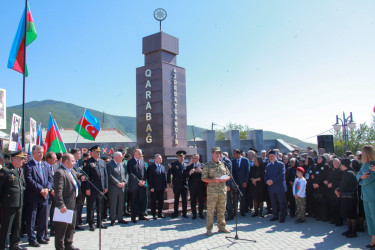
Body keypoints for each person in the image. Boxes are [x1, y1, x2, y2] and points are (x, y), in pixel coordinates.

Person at [24, 145, 53, 247]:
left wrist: (47, 189)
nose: (41, 154)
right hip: (33, 196)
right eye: (39, 152)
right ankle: (32, 239)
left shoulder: (45, 165)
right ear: (33, 153)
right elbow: (29, 180)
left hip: (45, 196)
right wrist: (41, 189)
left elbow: (50, 179)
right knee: (32, 217)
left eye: (42, 152)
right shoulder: (28, 165)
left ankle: (41, 236)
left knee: (43, 217)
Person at [53, 153, 82, 250]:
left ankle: (68, 245)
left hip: (73, 203)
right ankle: (60, 247)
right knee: (61, 229)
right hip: (65, 205)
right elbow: (58, 191)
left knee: (71, 227)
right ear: (66, 162)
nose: (74, 163)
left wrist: (81, 176)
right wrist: (61, 204)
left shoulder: (71, 171)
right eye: (73, 161)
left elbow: (76, 175)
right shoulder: (60, 173)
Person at [0, 151, 27, 250]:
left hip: (18, 203)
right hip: (8, 204)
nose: (23, 161)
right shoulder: (6, 171)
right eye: (21, 159)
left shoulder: (19, 170)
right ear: (15, 159)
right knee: (6, 227)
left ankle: (14, 245)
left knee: (17, 226)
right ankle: (2, 246)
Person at [202, 147, 231, 236]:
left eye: (219, 153)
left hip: (222, 191)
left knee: (222, 210)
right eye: (216, 153)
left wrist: (225, 179)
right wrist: (214, 180)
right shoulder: (208, 165)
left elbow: (229, 175)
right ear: (212, 154)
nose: (218, 155)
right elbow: (203, 178)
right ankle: (209, 229)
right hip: (212, 192)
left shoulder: (223, 164)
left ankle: (221, 227)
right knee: (210, 211)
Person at [83, 145, 108, 231]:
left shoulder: (102, 162)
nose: (98, 153)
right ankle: (91, 223)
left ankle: (99, 222)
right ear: (92, 153)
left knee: (100, 206)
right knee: (91, 207)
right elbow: (86, 177)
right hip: (92, 188)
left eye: (99, 152)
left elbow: (105, 175)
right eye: (97, 152)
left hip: (101, 188)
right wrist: (87, 188)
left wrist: (106, 186)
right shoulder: (88, 163)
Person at [356, 145, 375, 248]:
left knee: (374, 218)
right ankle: (373, 239)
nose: (361, 155)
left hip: (372, 195)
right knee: (369, 218)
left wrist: (361, 179)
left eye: (363, 153)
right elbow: (357, 175)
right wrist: (360, 177)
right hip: (365, 195)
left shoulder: (372, 165)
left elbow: (368, 180)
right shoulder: (364, 165)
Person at [335, 158, 358, 238]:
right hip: (346, 196)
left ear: (344, 165)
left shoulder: (349, 173)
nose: (340, 166)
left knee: (351, 214)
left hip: (351, 197)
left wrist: (337, 190)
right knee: (347, 214)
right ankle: (349, 229)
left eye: (341, 164)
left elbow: (344, 185)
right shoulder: (346, 172)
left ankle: (353, 231)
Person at [265, 150, 287, 223]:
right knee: (273, 202)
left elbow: (281, 175)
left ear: (276, 156)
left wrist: (272, 180)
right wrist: (267, 181)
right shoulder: (268, 165)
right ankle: (275, 215)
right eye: (270, 156)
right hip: (271, 187)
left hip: (279, 186)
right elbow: (266, 175)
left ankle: (282, 216)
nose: (271, 157)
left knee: (281, 202)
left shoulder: (281, 164)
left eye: (272, 156)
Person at [127, 149, 148, 223]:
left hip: (142, 184)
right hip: (134, 185)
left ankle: (141, 215)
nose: (141, 155)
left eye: (141, 154)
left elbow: (144, 172)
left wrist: (144, 180)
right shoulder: (130, 162)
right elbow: (130, 173)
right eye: (139, 154)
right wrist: (138, 181)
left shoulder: (142, 161)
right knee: (134, 201)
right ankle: (133, 217)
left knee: (141, 200)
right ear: (135, 154)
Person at [107, 152, 128, 226]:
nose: (122, 158)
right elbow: (110, 175)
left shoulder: (122, 164)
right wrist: (117, 183)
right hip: (114, 187)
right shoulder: (109, 164)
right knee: (113, 204)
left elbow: (126, 174)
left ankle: (120, 218)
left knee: (121, 203)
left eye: (122, 157)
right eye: (120, 157)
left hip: (122, 187)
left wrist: (124, 182)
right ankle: (113, 219)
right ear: (115, 157)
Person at [167, 150, 189, 218]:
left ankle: (184, 213)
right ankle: (175, 213)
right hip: (176, 185)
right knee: (176, 199)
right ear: (177, 157)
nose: (182, 158)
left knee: (184, 200)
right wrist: (169, 182)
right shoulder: (173, 164)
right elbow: (169, 173)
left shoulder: (186, 165)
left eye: (183, 157)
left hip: (184, 185)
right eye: (180, 156)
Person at [147, 154, 168, 220]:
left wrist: (166, 186)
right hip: (154, 188)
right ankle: (154, 214)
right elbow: (150, 178)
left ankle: (160, 213)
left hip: (161, 188)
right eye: (159, 158)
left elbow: (165, 177)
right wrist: (151, 187)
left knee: (161, 201)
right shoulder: (151, 167)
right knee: (153, 201)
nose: (161, 159)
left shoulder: (163, 167)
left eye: (161, 158)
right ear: (155, 159)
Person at [185, 153, 205, 219]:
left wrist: (201, 172)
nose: (193, 159)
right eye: (192, 158)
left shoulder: (203, 165)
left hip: (201, 187)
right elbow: (185, 176)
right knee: (193, 201)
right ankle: (194, 214)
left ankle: (201, 213)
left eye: (195, 158)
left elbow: (207, 175)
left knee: (201, 201)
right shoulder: (189, 167)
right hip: (192, 187)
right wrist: (189, 173)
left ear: (198, 159)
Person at [230, 149, 250, 217]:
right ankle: (235, 212)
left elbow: (247, 172)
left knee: (242, 197)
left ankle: (242, 211)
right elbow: (232, 173)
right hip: (236, 183)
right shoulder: (232, 161)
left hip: (243, 182)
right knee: (235, 198)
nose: (233, 155)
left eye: (234, 154)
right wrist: (234, 182)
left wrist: (245, 181)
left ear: (238, 154)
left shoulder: (245, 160)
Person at [70, 148, 85, 231]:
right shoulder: (71, 165)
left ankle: (77, 223)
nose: (80, 155)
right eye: (79, 153)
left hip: (79, 189)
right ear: (74, 154)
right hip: (72, 190)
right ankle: (72, 225)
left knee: (78, 207)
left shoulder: (78, 163)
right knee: (73, 208)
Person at [326, 158, 344, 226]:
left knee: (338, 206)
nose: (336, 164)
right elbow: (330, 178)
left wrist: (332, 184)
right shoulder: (332, 170)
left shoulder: (341, 171)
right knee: (333, 206)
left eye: (337, 163)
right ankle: (334, 219)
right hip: (331, 191)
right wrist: (327, 181)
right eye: (334, 163)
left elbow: (341, 182)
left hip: (337, 191)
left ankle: (339, 221)